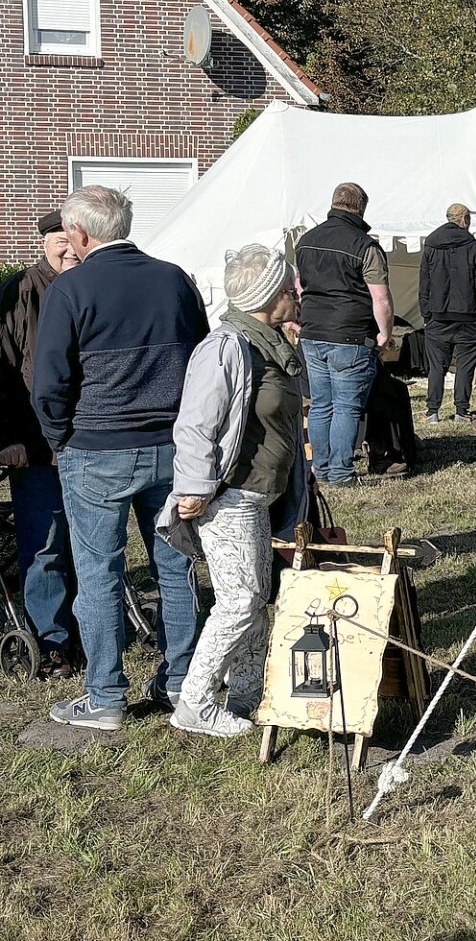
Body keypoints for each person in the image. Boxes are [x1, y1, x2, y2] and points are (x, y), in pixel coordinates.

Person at [32, 185, 209, 730]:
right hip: (170, 447)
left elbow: (50, 383)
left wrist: (60, 438)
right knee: (175, 568)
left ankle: (106, 695)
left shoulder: (71, 288)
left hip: (96, 448)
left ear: (81, 234)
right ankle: (182, 681)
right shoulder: (174, 278)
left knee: (99, 572)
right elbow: (202, 362)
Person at [157, 246, 307, 737]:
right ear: (267, 296)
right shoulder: (226, 347)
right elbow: (197, 424)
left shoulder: (268, 342)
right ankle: (195, 704)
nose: (297, 294)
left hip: (257, 496)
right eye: (290, 289)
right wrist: (195, 489)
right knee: (239, 602)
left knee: (253, 598)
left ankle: (245, 696)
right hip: (227, 496)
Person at [0, 209, 81, 677]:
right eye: (58, 239)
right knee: (45, 543)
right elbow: (5, 374)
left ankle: (89, 631)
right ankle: (52, 639)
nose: (67, 248)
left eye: (72, 238)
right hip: (38, 447)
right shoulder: (19, 292)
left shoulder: (93, 286)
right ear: (44, 243)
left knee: (89, 545)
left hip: (88, 442)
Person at [295, 182, 392, 486]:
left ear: (334, 203)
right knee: (347, 406)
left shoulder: (305, 241)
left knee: (321, 404)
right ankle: (340, 472)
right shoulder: (365, 246)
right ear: (361, 208)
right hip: (350, 336)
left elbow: (300, 287)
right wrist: (385, 334)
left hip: (312, 333)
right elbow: (381, 299)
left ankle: (320, 468)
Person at [419, 202, 476, 423]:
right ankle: (461, 412)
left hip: (438, 316)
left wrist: (426, 314)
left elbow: (424, 282)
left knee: (436, 366)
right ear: (464, 220)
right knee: (465, 366)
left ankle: (432, 412)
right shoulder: (475, 248)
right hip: (468, 317)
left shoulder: (431, 245)